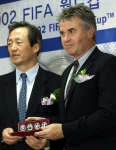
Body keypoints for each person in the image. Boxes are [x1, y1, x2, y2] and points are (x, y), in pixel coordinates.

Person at [28, 5, 116, 150]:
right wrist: (47, 126)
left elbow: (109, 115)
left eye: (71, 31)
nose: (65, 39)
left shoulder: (108, 64)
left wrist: (63, 130)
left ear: (90, 32)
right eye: (62, 33)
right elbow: (69, 119)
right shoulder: (68, 71)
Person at [0, 21, 61, 150]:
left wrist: (47, 143)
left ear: (35, 47)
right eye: (9, 43)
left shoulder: (57, 83)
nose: (13, 48)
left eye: (18, 43)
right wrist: (1, 135)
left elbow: (66, 122)